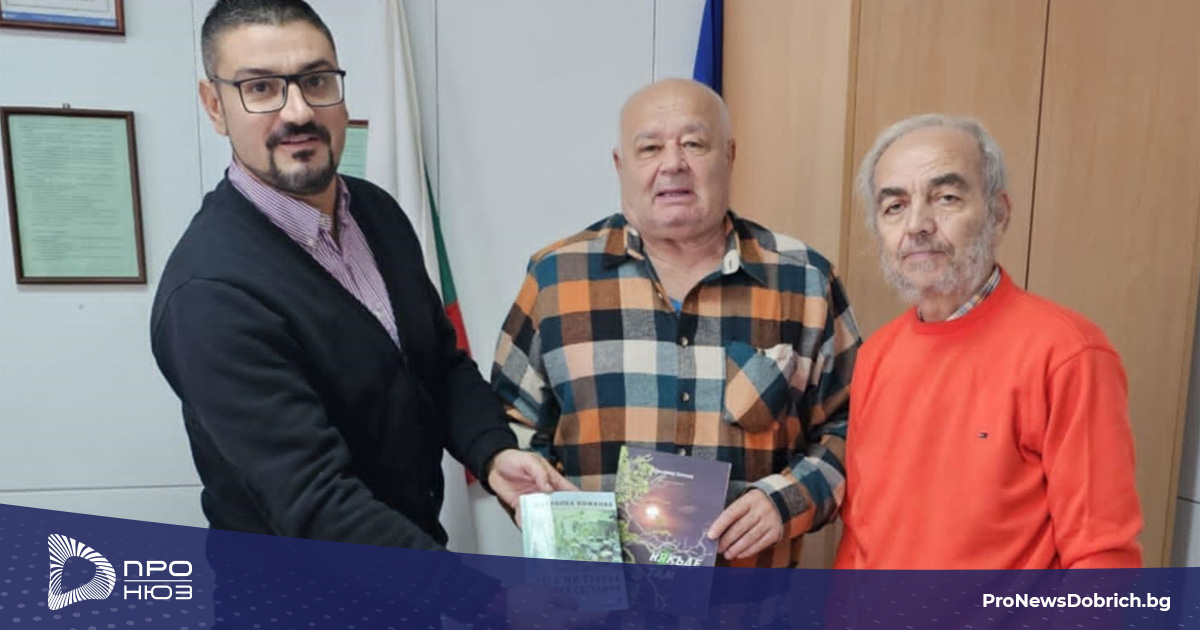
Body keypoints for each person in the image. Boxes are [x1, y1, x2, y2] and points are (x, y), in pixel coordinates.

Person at [151, 0, 570, 554]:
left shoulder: (376, 212)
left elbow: (438, 365)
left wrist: (494, 453)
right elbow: (316, 504)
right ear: (215, 106)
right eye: (261, 88)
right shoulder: (208, 294)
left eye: (316, 80)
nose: (298, 111)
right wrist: (481, 593)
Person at [492, 78, 861, 568]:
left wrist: (787, 501)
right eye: (650, 148)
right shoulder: (555, 279)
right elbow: (508, 425)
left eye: (693, 143)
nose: (672, 164)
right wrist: (548, 512)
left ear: (729, 155)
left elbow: (853, 426)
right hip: (591, 598)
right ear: (620, 165)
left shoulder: (805, 280)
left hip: (749, 599)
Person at [834, 114, 1143, 569]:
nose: (917, 224)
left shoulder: (1069, 354)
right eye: (894, 206)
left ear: (998, 215)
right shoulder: (876, 355)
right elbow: (859, 536)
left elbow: (1102, 557)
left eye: (946, 197)